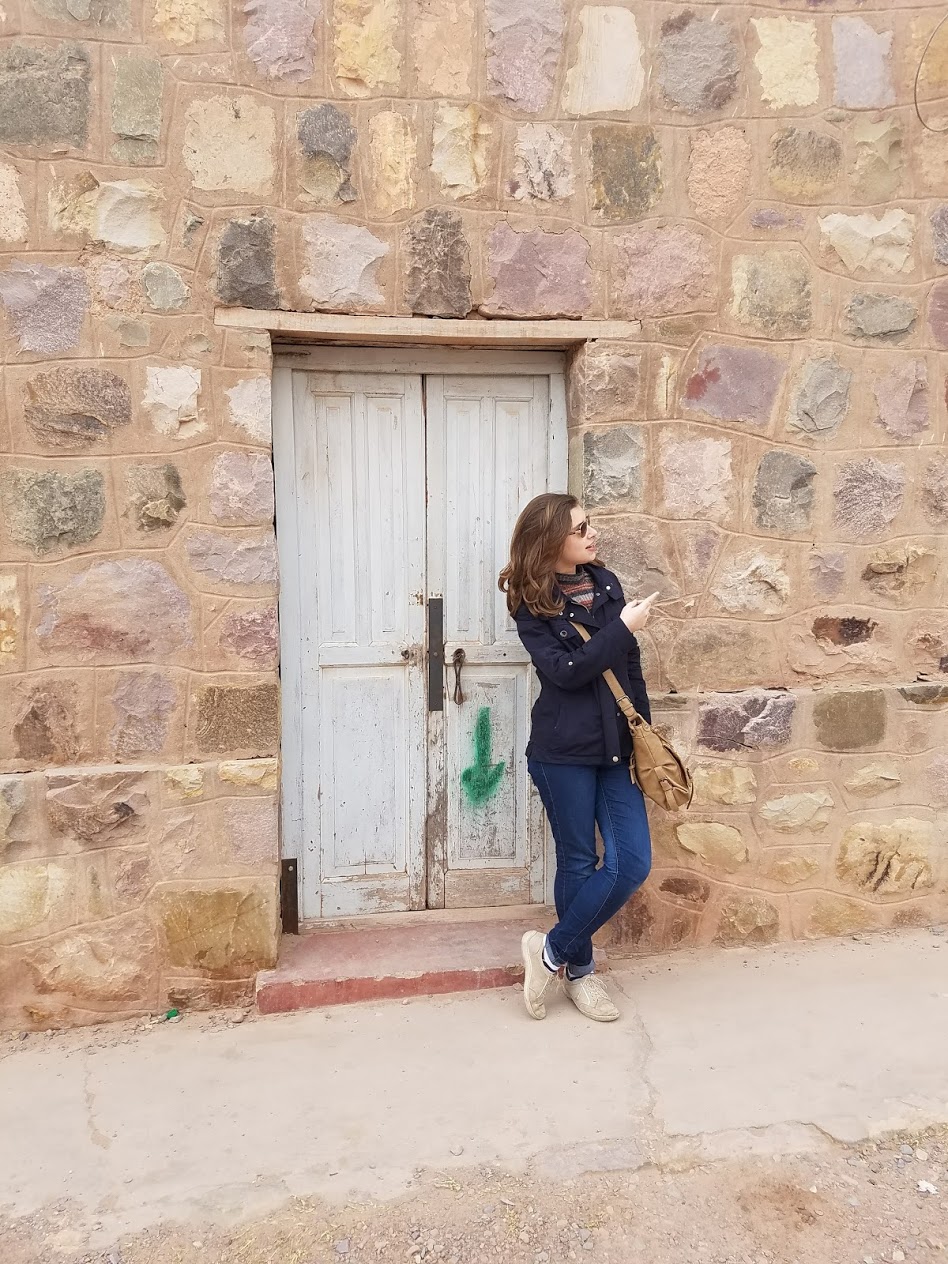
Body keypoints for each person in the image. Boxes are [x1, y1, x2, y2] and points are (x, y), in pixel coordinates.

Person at [498, 493, 658, 1023]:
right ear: (552, 540)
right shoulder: (530, 603)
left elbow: (629, 668)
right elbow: (566, 672)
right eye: (580, 529)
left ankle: (548, 952)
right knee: (576, 861)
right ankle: (581, 974)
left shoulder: (606, 584)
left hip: (616, 750)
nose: (593, 535)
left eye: (590, 525)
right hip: (563, 752)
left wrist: (644, 735)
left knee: (632, 862)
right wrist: (622, 628)